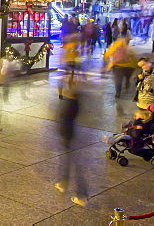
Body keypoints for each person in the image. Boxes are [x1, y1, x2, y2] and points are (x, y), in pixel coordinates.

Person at [54, 69, 88, 207]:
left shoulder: (69, 102)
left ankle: (81, 195)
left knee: (75, 163)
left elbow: (63, 119)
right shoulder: (76, 99)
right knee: (68, 160)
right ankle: (63, 182)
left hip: (69, 135)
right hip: (71, 134)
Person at [104, 34, 137, 98]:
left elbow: (107, 54)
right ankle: (127, 86)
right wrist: (135, 66)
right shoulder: (129, 48)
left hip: (117, 66)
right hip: (129, 67)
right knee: (127, 78)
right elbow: (134, 58)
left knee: (118, 80)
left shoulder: (114, 47)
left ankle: (118, 93)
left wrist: (108, 62)